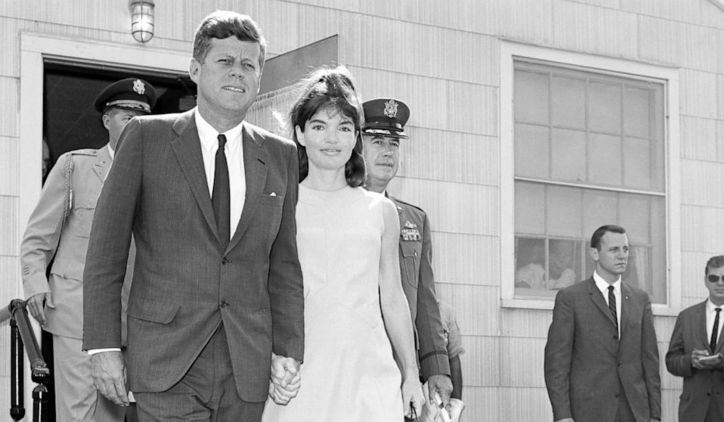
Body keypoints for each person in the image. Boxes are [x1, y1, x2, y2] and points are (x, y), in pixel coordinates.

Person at [81, 10, 304, 421]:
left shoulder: (281, 156)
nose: (238, 72)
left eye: (249, 64)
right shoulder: (146, 137)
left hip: (246, 365)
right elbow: (105, 253)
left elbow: (284, 264)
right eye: (225, 61)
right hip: (167, 362)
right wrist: (103, 346)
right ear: (196, 69)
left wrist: (288, 349)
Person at [262, 66, 424, 421]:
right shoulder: (279, 206)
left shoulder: (380, 211)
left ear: (356, 138)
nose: (332, 138)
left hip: (369, 375)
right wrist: (272, 358)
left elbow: (393, 298)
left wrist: (411, 374)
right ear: (301, 134)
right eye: (319, 126)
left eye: (344, 128)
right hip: (299, 376)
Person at [20, 77, 157, 421]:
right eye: (127, 117)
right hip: (76, 314)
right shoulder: (75, 167)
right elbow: (38, 237)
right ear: (107, 119)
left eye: (142, 119)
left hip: (129, 320)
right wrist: (35, 283)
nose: (135, 126)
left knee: (113, 414)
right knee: (77, 413)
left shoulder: (156, 177)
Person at [360, 98, 454, 413]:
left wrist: (437, 364)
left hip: (402, 371)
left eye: (393, 144)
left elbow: (425, 300)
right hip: (352, 367)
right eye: (376, 141)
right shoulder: (335, 209)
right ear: (356, 147)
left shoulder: (413, 218)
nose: (387, 151)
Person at [544, 225, 661, 422]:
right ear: (595, 254)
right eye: (614, 250)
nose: (622, 255)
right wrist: (563, 415)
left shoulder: (640, 299)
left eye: (625, 249)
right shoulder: (571, 298)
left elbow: (650, 362)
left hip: (634, 412)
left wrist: (655, 415)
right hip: (587, 411)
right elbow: (557, 363)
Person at [666, 255, 724, 422]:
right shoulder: (686, 316)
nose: (719, 283)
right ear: (705, 280)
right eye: (713, 277)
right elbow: (671, 360)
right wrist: (691, 361)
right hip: (694, 411)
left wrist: (723, 365)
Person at [421, 300, 466, 422]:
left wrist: (456, 403)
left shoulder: (446, 311)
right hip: (412, 392)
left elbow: (454, 358)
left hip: (438, 395)